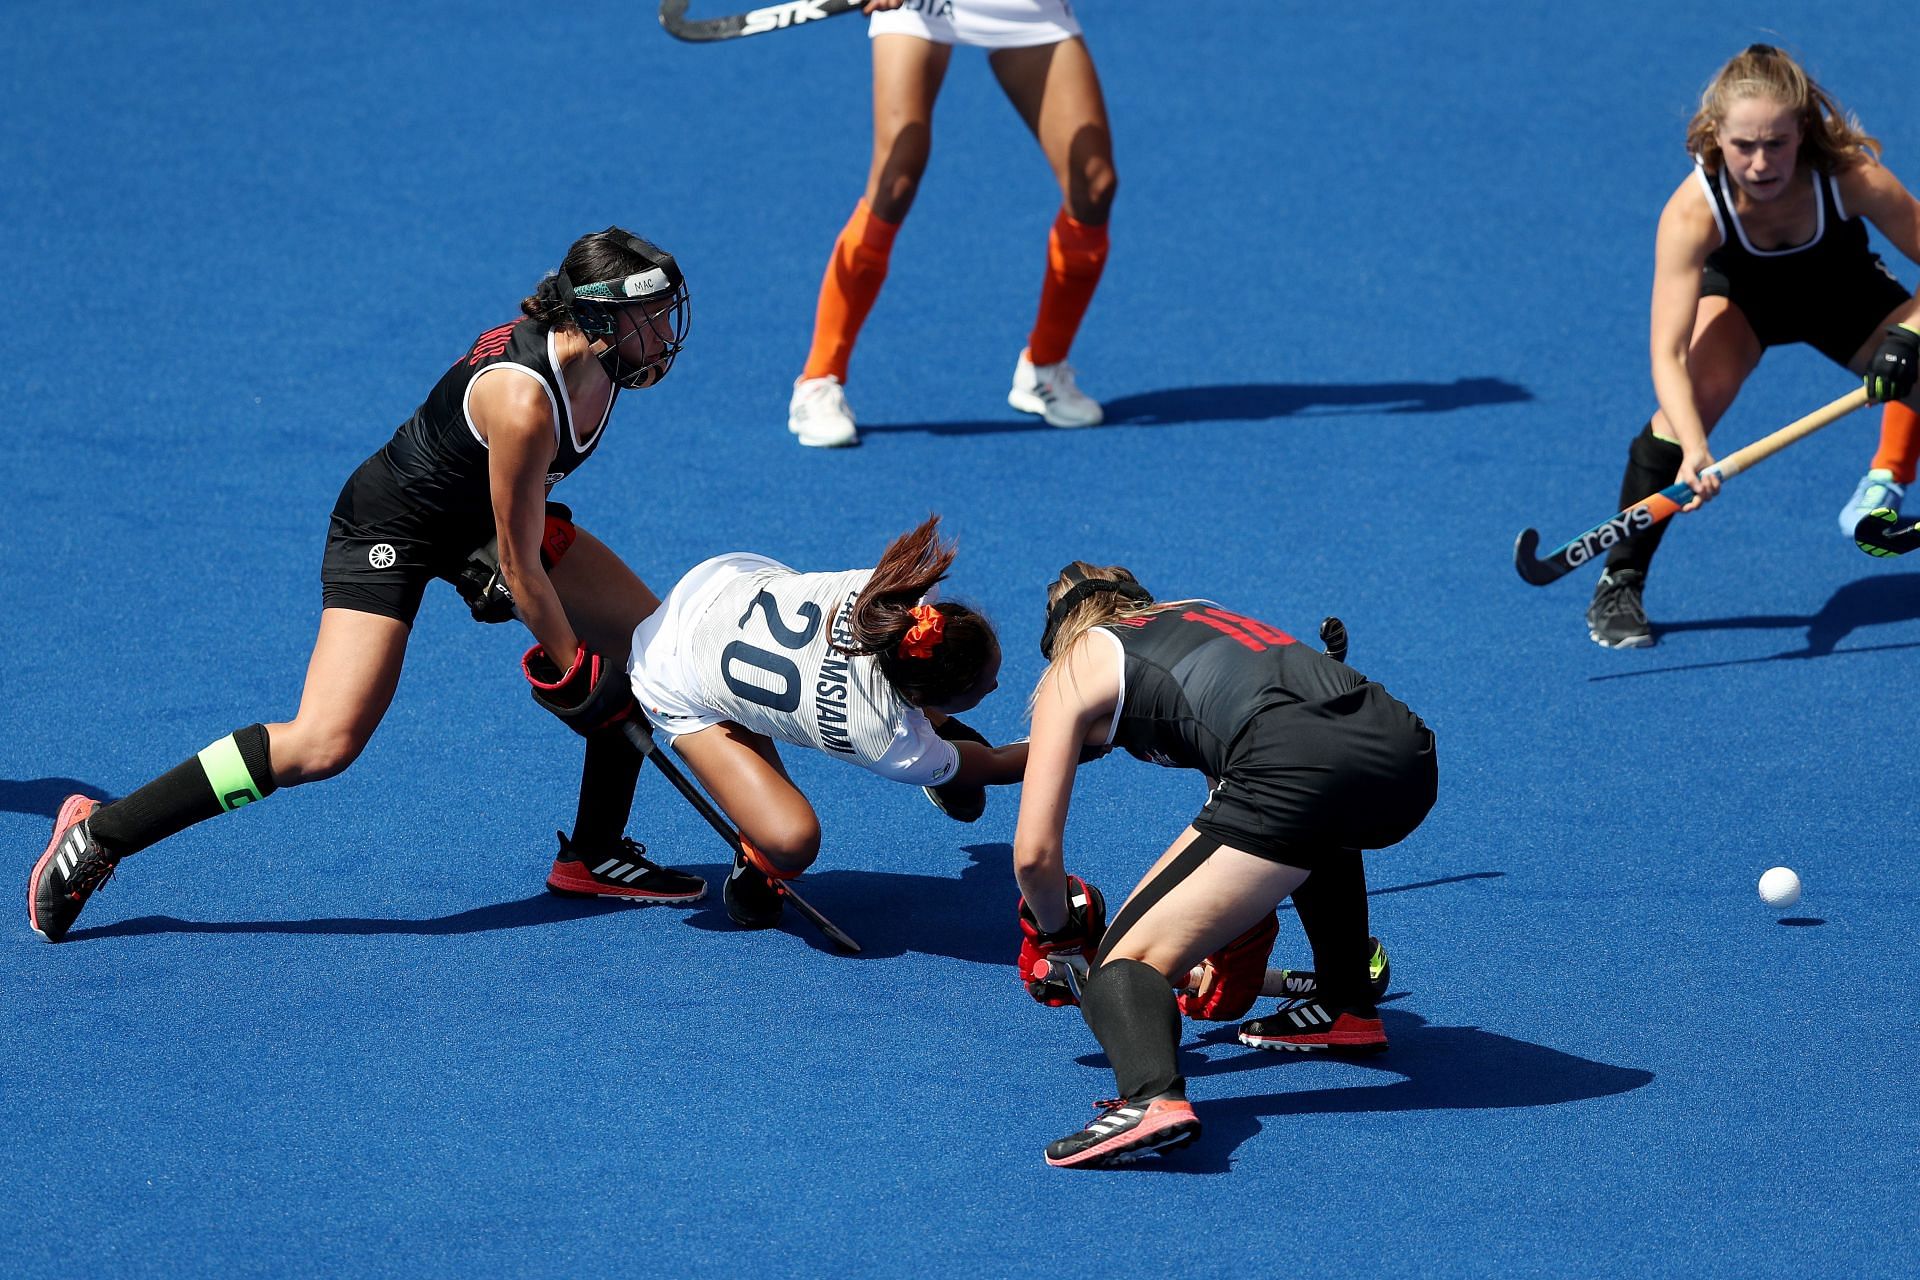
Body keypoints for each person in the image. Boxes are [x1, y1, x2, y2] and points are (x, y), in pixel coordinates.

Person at [29, 228, 706, 943]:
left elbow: (512, 524)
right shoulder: (525, 399)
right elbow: (520, 568)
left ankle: (595, 851)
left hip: (481, 519)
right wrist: (572, 673)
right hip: (390, 528)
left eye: (664, 312)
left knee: (643, 645)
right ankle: (101, 834)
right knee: (324, 742)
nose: (664, 333)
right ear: (597, 318)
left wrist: (559, 633)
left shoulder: (599, 366)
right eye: (649, 317)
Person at [1010, 565, 1437, 1168]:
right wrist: (1235, 926)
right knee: (1323, 822)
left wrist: (1059, 935)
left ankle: (1151, 1099)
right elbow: (1248, 810)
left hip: (1293, 764)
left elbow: (1034, 856)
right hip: (1406, 755)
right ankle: (1345, 1000)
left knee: (1125, 964)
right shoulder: (1198, 619)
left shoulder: (1075, 664)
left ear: (1061, 635)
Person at [1586, 44, 1920, 649]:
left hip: (1844, 298)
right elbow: (1666, 354)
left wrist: (1910, 336)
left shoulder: (1851, 177)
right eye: (1744, 146)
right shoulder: (1693, 212)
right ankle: (1621, 578)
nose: (1761, 163)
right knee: (1682, 412)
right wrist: (1694, 449)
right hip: (1744, 306)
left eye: (1777, 144)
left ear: (1803, 132)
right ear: (1717, 135)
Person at [624, 514, 1029, 927]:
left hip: (719, 582)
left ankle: (940, 742)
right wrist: (1077, 744)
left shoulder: (898, 592)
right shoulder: (888, 743)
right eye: (981, 689)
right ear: (923, 697)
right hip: (670, 675)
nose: (995, 688)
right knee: (792, 841)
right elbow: (994, 765)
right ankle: (757, 856)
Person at [786, 0, 1117, 447]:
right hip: (926, 7)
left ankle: (1044, 368)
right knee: (896, 179)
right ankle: (818, 379)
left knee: (1093, 185)